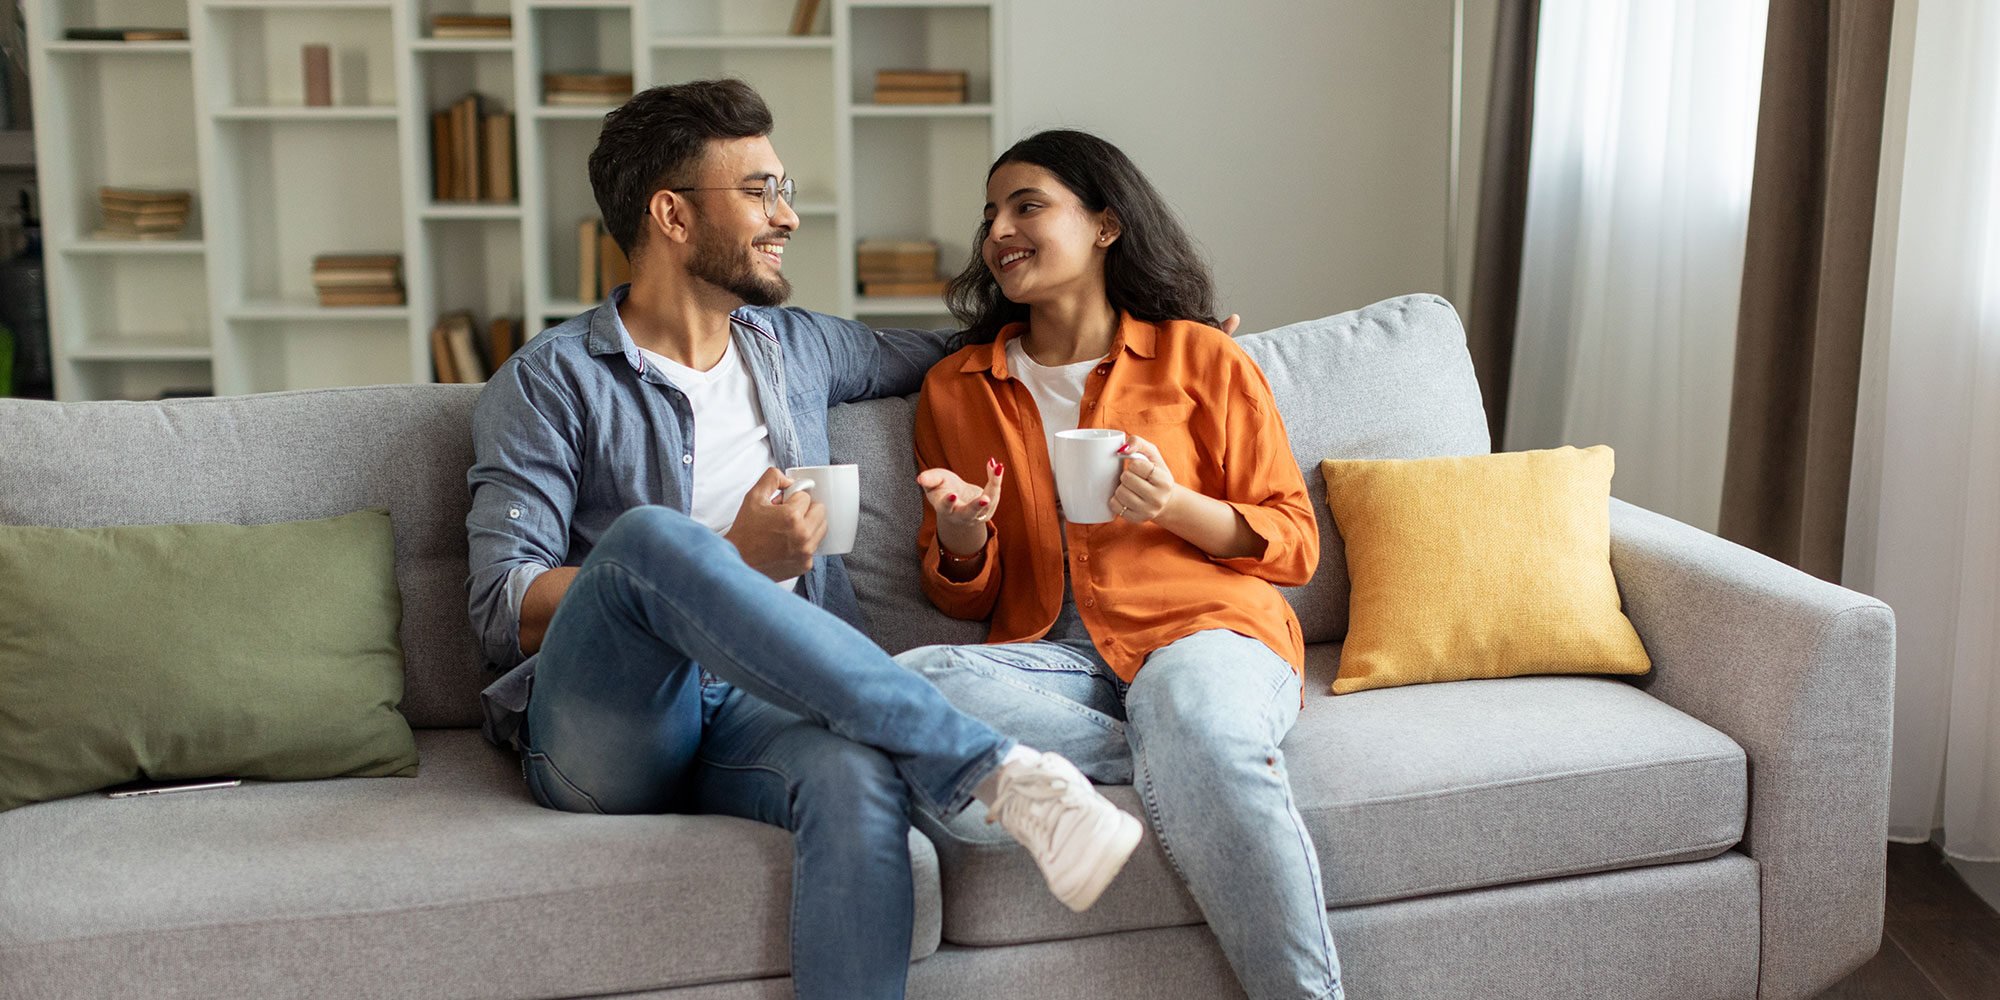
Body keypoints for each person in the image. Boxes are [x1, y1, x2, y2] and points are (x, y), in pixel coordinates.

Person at [464, 82, 1141, 1000]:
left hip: (765, 704)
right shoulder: (552, 381)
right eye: (759, 191)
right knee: (655, 541)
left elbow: (966, 346)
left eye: (784, 189)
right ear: (669, 213)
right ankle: (991, 769)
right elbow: (503, 607)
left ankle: (971, 772)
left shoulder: (796, 349)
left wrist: (1154, 330)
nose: (787, 216)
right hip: (609, 729)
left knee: (857, 778)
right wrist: (730, 558)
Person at [895, 129, 1343, 1000]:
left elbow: (1294, 542)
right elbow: (961, 602)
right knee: (911, 680)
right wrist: (960, 541)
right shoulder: (958, 388)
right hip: (1055, 656)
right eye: (991, 215)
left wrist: (1172, 505)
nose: (999, 232)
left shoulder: (1200, 357)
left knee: (1190, 707)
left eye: (1028, 206)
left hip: (1205, 633)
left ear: (1105, 225)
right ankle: (1184, 759)